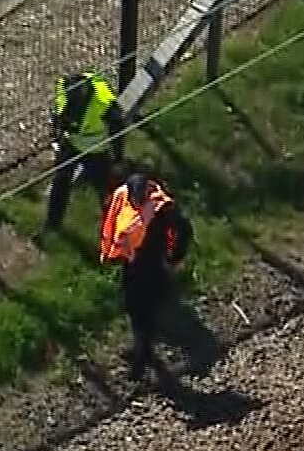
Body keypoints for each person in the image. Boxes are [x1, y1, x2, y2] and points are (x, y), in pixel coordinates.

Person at [98, 172, 192, 381]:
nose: (135, 202)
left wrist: (174, 257)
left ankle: (140, 362)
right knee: (135, 311)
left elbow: (183, 230)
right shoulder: (124, 196)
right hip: (134, 264)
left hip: (152, 266)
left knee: (142, 315)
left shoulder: (162, 209)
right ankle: (143, 350)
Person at [43, 71, 127, 237]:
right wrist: (56, 134)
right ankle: (52, 226)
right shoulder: (63, 87)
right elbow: (57, 113)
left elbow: (118, 129)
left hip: (96, 149)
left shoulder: (104, 103)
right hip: (70, 143)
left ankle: (114, 230)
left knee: (104, 189)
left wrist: (118, 158)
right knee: (60, 183)